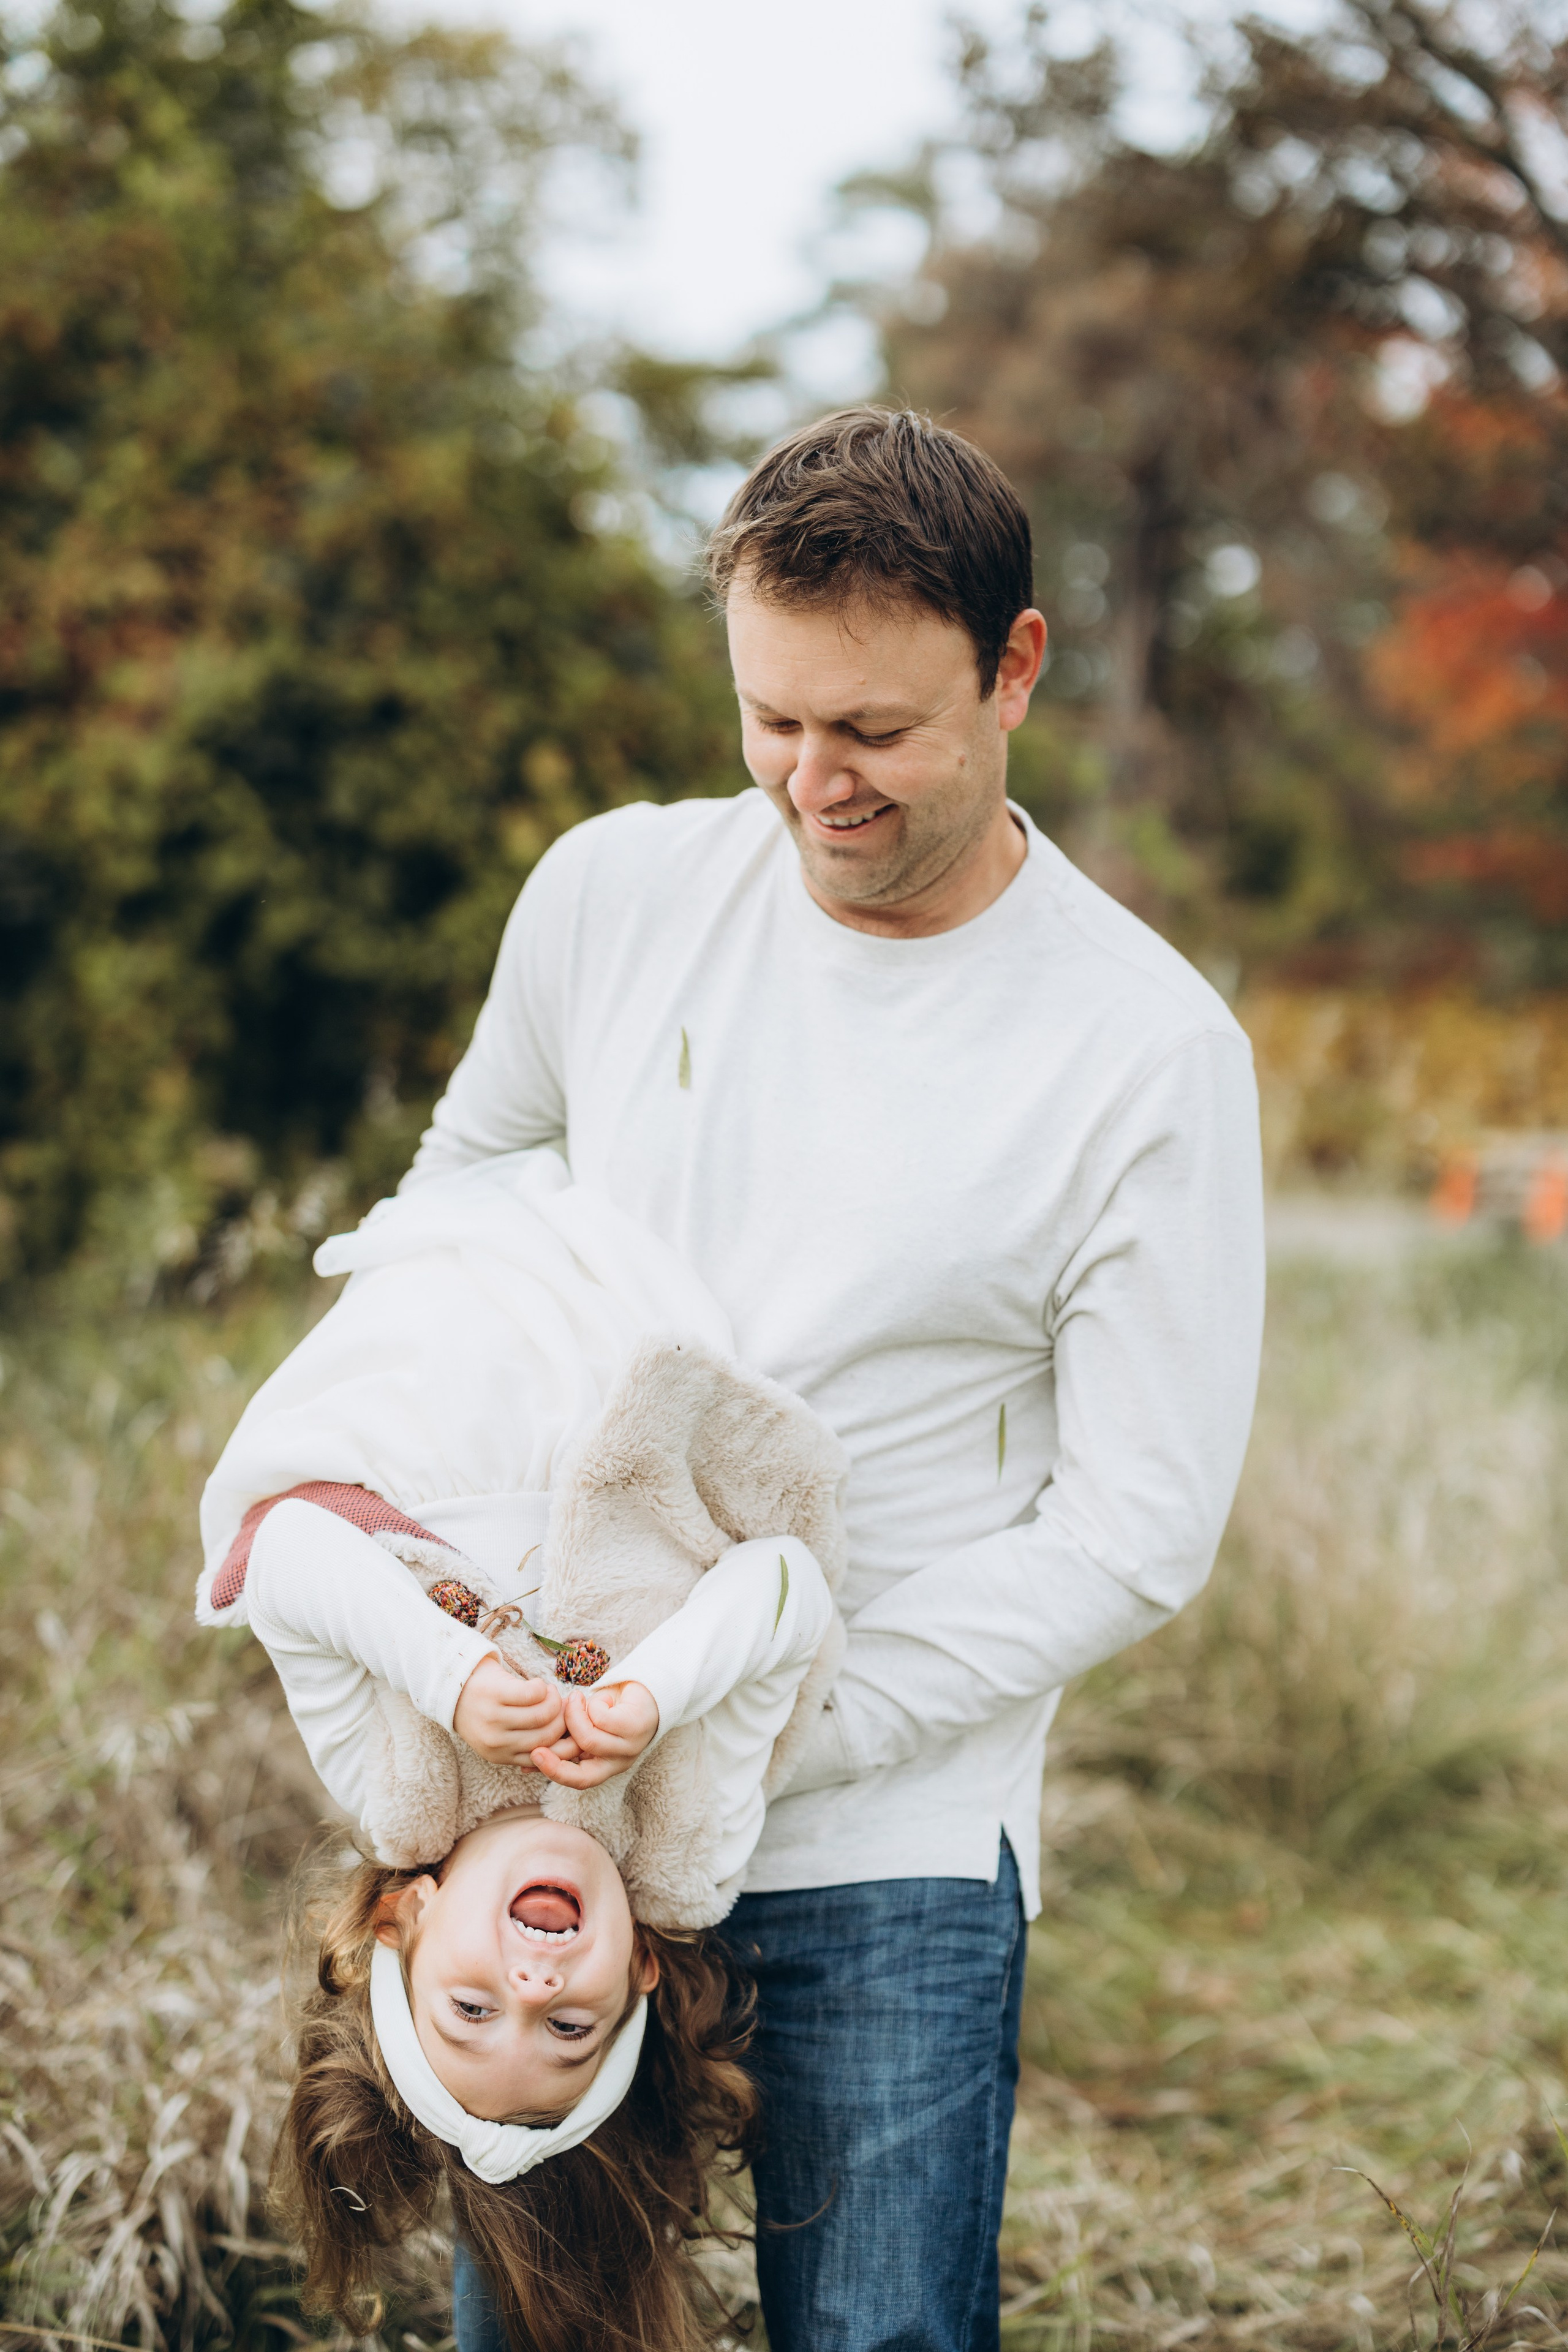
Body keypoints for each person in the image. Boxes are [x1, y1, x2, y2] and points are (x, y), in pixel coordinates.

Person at [404, 407, 1267, 2352]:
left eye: (871, 731)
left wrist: (761, 1720)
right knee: (537, 2335)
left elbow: (1139, 1530)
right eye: (771, 721)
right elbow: (451, 1218)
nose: (813, 782)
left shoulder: (1149, 1058)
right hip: (561, 1830)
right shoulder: (610, 899)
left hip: (892, 1850)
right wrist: (433, 1598)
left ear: (1016, 667)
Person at [195, 1148, 846, 2352]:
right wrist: (654, 1691)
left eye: (469, 2007)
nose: (534, 1991)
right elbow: (787, 1588)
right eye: (566, 2032)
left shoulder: (398, 1793)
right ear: (639, 1980)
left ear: (402, 1922)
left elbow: (283, 1554)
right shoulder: (680, 1848)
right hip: (607, 1347)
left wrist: (445, 1675)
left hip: (426, 1377)